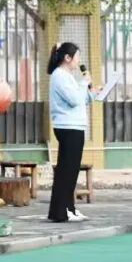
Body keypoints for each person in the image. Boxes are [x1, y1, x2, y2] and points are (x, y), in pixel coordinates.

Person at [47, 42, 98, 224]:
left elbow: (80, 99)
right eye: (77, 57)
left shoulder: (67, 76)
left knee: (70, 170)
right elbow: (75, 100)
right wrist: (84, 83)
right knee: (66, 171)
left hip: (74, 126)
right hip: (68, 126)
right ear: (67, 58)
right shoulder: (59, 75)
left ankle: (68, 208)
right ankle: (61, 211)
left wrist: (92, 93)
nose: (78, 61)